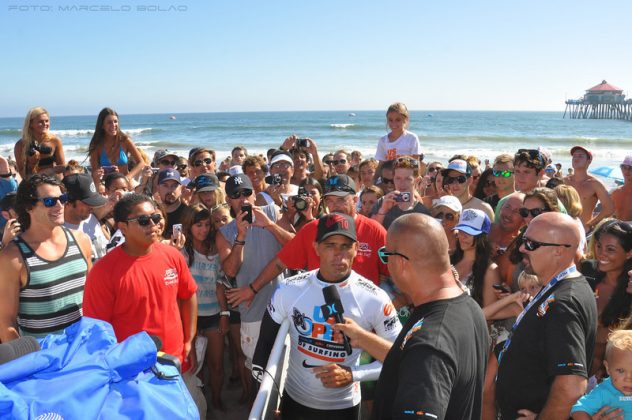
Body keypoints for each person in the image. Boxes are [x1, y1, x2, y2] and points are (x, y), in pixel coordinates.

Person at [336, 213, 489, 419]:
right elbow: (409, 358)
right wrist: (362, 338)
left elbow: (424, 355)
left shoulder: (430, 343)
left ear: (400, 262)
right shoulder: (470, 308)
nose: (387, 265)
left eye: (385, 255)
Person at [252, 213, 402, 419]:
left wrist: (353, 375)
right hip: (294, 402)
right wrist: (267, 404)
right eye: (330, 245)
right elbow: (265, 347)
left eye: (345, 246)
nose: (338, 255)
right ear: (316, 248)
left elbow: (399, 358)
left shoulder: (375, 298)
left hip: (344, 407)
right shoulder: (289, 289)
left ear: (356, 249)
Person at [231, 175, 388, 311]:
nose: (334, 206)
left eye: (341, 200)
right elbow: (281, 262)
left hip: (364, 317)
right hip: (321, 315)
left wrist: (395, 302)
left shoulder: (374, 231)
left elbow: (392, 272)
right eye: (330, 200)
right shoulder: (312, 229)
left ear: (355, 200)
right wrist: (252, 289)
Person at [496, 212, 598, 419]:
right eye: (524, 240)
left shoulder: (564, 302)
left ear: (559, 251)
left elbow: (571, 385)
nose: (523, 248)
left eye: (532, 244)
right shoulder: (559, 289)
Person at [82, 193, 198, 369]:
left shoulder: (173, 255)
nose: (153, 224)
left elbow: (188, 295)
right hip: (132, 369)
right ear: (123, 227)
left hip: (175, 359)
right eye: (143, 220)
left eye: (156, 217)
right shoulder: (103, 272)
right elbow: (97, 330)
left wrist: (189, 340)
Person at [216, 173, 292, 389]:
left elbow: (297, 248)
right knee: (258, 372)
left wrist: (269, 225)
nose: (243, 199)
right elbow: (230, 270)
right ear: (228, 200)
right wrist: (240, 235)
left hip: (282, 307)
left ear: (255, 194)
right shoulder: (225, 233)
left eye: (246, 193)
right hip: (252, 312)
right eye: (236, 195)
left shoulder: (273, 213)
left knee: (285, 369)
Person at [0, 174, 92, 341]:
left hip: (83, 350)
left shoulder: (81, 240)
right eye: (50, 201)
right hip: (44, 359)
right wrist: (31, 362)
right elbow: (6, 323)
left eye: (62, 199)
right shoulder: (12, 257)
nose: (59, 206)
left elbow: (94, 297)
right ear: (28, 207)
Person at [181, 204, 231, 410]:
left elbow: (219, 284)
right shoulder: (181, 251)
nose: (203, 229)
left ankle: (217, 399)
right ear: (189, 226)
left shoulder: (215, 249)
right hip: (189, 318)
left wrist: (224, 313)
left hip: (213, 315)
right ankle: (198, 405)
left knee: (217, 365)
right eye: (198, 225)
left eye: (207, 225)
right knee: (194, 367)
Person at [571, 329, 632, 419]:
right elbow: (579, 410)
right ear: (608, 368)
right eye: (620, 371)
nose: (628, 378)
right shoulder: (604, 392)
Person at [87, 108, 146, 192]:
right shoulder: (97, 145)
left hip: (126, 182)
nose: (113, 125)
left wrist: (127, 178)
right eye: (109, 122)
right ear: (102, 125)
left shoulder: (125, 140)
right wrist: (100, 176)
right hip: (106, 184)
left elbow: (141, 162)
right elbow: (95, 172)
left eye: (115, 121)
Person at [370, 156, 431, 230]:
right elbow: (371, 233)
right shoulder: (382, 202)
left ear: (417, 180)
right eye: (398, 178)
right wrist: (382, 211)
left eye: (407, 179)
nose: (402, 183)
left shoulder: (422, 212)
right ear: (393, 178)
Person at [564, 146, 614, 231]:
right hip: (564, 228)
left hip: (584, 230)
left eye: (580, 156)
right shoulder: (564, 181)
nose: (576, 158)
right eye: (574, 156)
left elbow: (609, 208)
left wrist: (590, 224)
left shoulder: (595, 184)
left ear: (589, 161)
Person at [62, 173, 110, 262]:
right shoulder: (58, 234)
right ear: (68, 203)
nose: (92, 206)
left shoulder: (91, 217)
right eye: (87, 202)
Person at [14, 107, 66, 178]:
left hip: (53, 182)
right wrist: (32, 164)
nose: (45, 124)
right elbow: (21, 171)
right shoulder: (20, 145)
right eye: (40, 122)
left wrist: (50, 171)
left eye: (47, 121)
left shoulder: (55, 141)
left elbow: (63, 167)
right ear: (31, 124)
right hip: (33, 183)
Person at [156, 169, 187, 239]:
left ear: (181, 188)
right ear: (158, 188)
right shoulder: (153, 213)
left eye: (174, 186)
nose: (170, 190)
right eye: (165, 186)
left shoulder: (189, 213)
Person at [612, 155, 632, 222]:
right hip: (618, 229)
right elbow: (611, 214)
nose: (627, 170)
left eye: (630, 168)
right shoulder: (615, 192)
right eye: (624, 167)